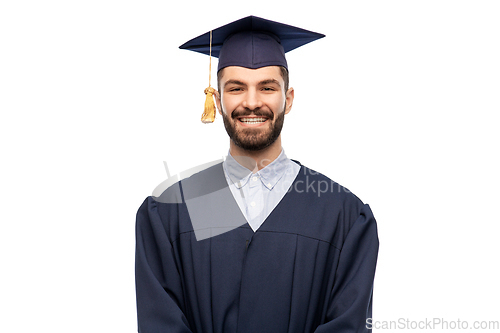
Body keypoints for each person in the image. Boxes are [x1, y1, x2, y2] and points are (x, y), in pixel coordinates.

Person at [135, 16, 379, 333]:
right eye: (237, 88)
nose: (252, 102)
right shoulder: (172, 211)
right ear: (219, 100)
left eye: (267, 87)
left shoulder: (343, 215)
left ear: (287, 100)